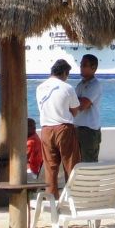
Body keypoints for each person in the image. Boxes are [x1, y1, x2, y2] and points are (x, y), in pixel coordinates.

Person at [35, 59, 81, 195]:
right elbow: (75, 110)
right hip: (64, 128)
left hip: (46, 129)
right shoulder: (67, 87)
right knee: (71, 165)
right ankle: (73, 196)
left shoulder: (40, 88)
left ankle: (52, 198)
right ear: (65, 73)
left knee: (50, 167)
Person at [74, 53, 103, 162]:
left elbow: (83, 105)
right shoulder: (80, 84)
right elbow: (75, 103)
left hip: (89, 131)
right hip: (78, 128)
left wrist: (72, 101)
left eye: (84, 65)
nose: (81, 67)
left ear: (93, 68)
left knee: (89, 163)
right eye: (81, 64)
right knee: (78, 162)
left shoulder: (95, 85)